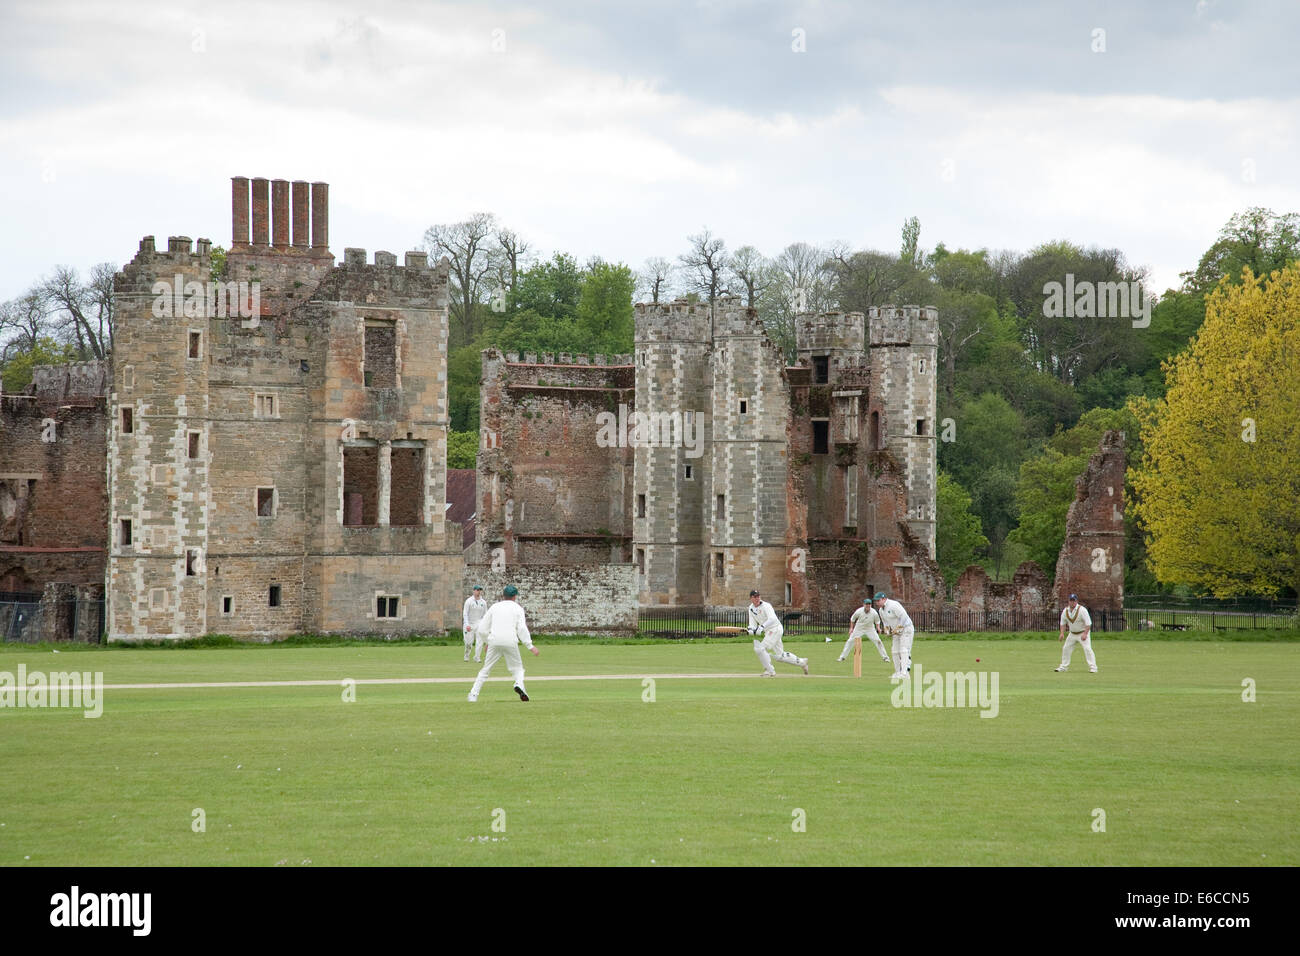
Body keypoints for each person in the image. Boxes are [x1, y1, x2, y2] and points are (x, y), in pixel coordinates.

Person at [468, 585, 539, 702]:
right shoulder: (517, 608)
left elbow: (482, 629)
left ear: (503, 595)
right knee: (518, 669)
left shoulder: (495, 607)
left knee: (486, 669)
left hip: (494, 641)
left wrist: (487, 641)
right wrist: (530, 646)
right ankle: (519, 685)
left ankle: (473, 695)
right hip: (510, 641)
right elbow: (521, 628)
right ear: (515, 596)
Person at [747, 590, 808, 677]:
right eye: (755, 597)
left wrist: (761, 627)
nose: (757, 598)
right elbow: (752, 623)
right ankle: (802, 662)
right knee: (780, 656)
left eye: (758, 596)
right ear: (751, 598)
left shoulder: (766, 606)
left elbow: (772, 619)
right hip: (769, 631)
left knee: (760, 649)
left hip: (775, 629)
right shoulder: (751, 608)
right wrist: (751, 629)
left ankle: (769, 670)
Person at [838, 597, 891, 667]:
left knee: (878, 641)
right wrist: (851, 628)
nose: (868, 606)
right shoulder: (859, 611)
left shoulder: (874, 612)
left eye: (869, 604)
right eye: (866, 604)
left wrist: (878, 628)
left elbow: (877, 621)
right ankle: (842, 657)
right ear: (863, 605)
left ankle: (885, 658)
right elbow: (852, 619)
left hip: (870, 628)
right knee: (850, 641)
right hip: (859, 628)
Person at [873, 591, 914, 680]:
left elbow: (904, 616)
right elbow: (885, 623)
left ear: (884, 599)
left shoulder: (893, 605)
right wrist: (887, 631)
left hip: (906, 628)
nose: (877, 603)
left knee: (903, 650)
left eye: (878, 600)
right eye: (876, 601)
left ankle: (904, 673)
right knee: (894, 651)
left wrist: (899, 627)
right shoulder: (881, 610)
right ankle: (897, 672)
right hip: (896, 632)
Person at [1056, 593, 1097, 673]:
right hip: (1072, 634)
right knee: (1066, 648)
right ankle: (1063, 667)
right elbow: (1063, 623)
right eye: (1071, 601)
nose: (1072, 602)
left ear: (1076, 601)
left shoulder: (1082, 610)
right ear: (1068, 601)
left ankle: (1093, 668)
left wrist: (1085, 634)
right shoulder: (1065, 611)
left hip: (1082, 633)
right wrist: (1062, 633)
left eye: (1074, 601)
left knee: (1087, 649)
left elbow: (1088, 623)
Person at [462, 585, 488, 663]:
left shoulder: (483, 602)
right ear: (473, 591)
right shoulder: (469, 601)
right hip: (469, 623)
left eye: (480, 590)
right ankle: (467, 655)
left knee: (480, 641)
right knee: (468, 642)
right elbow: (465, 614)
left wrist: (485, 625)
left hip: (479, 623)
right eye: (477, 590)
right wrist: (467, 624)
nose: (478, 592)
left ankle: (477, 657)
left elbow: (485, 615)